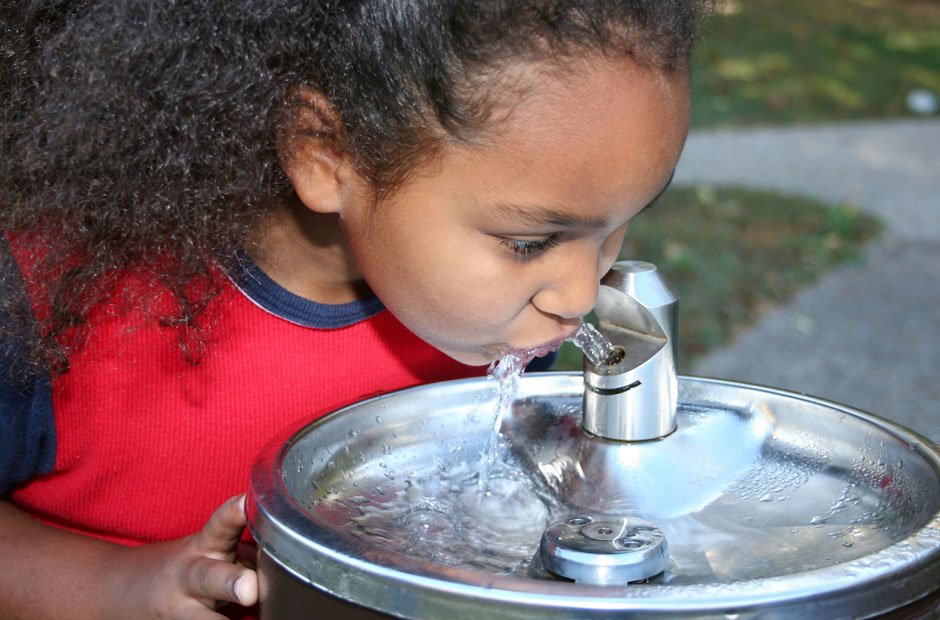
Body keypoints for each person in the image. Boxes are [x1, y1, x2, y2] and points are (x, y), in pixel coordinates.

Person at [0, 1, 705, 617]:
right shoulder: (53, 303)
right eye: (529, 242)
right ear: (326, 153)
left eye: (619, 224)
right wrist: (111, 587)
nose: (581, 295)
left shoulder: (501, 327)